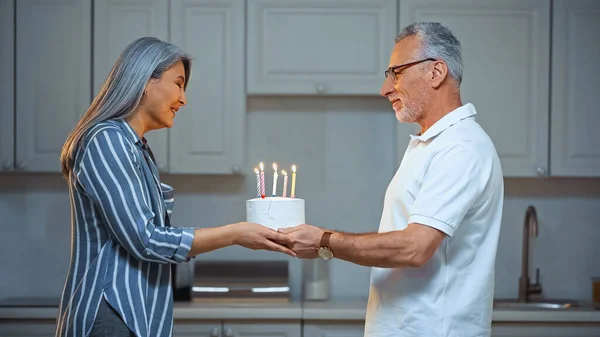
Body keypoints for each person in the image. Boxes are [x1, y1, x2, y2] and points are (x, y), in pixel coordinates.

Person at [56, 37, 295, 337]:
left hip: (134, 315)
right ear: (145, 81)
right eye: (178, 84)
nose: (183, 99)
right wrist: (236, 233)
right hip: (111, 313)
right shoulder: (107, 140)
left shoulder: (137, 148)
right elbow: (145, 239)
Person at [279, 22, 504, 337]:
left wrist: (324, 241)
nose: (385, 89)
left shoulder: (460, 147)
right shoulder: (432, 143)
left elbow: (415, 247)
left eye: (396, 73)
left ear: (436, 72)